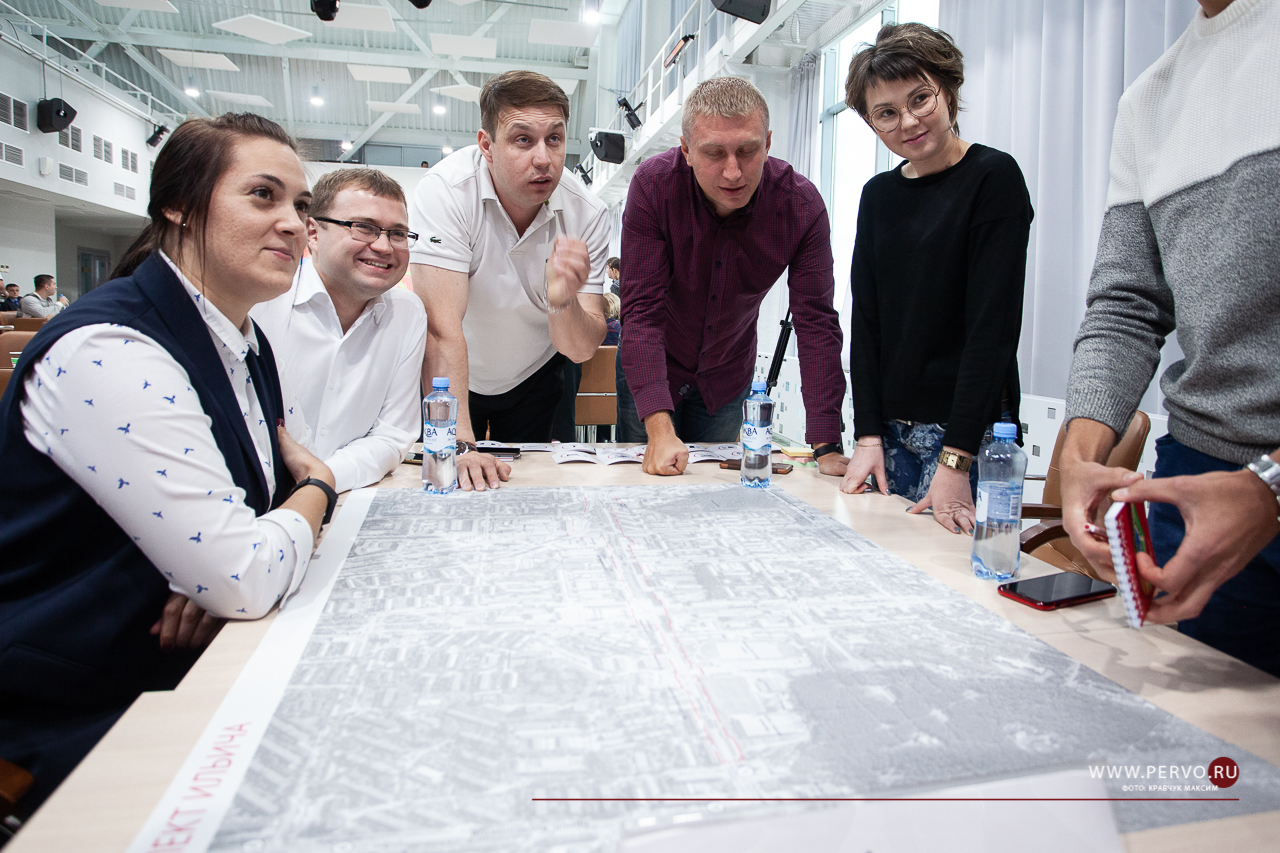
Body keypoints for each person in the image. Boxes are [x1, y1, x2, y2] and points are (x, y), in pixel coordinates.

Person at [0, 113, 335, 816]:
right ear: (178, 205)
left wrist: (213, 568)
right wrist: (317, 487)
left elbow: (242, 543)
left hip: (188, 665)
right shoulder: (110, 350)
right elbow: (246, 571)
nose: (293, 223)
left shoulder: (241, 341)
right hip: (76, 703)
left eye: (301, 205)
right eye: (263, 195)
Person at [1060, 0, 1280, 676]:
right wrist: (1077, 458)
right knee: (1217, 736)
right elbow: (1125, 305)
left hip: (1259, 485)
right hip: (1199, 483)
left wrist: (1270, 486)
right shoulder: (1147, 101)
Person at [838, 23, 1033, 536]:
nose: (908, 121)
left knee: (958, 571)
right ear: (871, 123)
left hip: (968, 437)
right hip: (889, 436)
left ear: (947, 89)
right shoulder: (877, 196)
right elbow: (867, 325)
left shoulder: (993, 178)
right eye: (886, 113)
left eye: (920, 99)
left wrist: (956, 459)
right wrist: (867, 434)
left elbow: (992, 331)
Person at [619, 77, 847, 478]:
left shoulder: (800, 206)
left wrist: (826, 443)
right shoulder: (654, 186)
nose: (732, 172)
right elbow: (641, 313)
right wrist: (658, 428)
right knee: (647, 483)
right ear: (686, 150)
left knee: (714, 488)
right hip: (652, 368)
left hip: (727, 377)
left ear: (768, 143)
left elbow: (816, 322)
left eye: (747, 150)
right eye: (713, 153)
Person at [409, 70, 608, 489]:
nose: (544, 159)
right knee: (452, 481)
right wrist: (460, 445)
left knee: (536, 492)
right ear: (487, 146)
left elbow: (579, 349)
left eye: (554, 138)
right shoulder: (446, 191)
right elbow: (441, 330)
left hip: (536, 376)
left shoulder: (587, 212)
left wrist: (562, 302)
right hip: (454, 373)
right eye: (523, 140)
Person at [252, 168, 427, 493]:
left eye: (397, 234)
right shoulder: (263, 301)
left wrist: (319, 482)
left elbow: (393, 435)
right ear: (313, 233)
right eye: (364, 228)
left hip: (344, 495)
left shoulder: (407, 313)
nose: (384, 246)